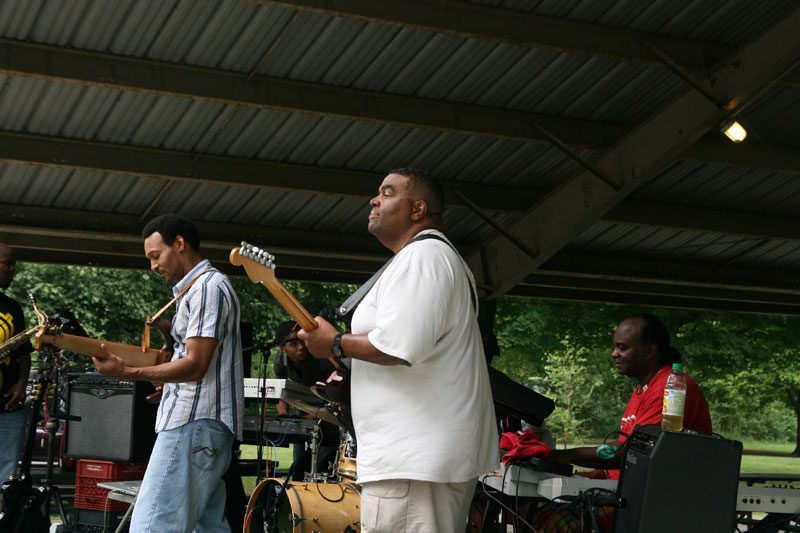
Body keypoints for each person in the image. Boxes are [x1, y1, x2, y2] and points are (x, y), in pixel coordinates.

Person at [299, 168, 499, 533]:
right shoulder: (420, 259)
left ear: (418, 209)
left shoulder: (425, 258)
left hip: (415, 460)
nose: (375, 200)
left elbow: (399, 345)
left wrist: (336, 343)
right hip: (414, 458)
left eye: (388, 193)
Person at [92, 214, 244, 533]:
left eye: (155, 256)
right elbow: (193, 361)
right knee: (207, 527)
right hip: (204, 426)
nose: (152, 266)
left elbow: (196, 364)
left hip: (193, 422)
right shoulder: (198, 289)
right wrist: (164, 374)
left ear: (179, 244)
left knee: (153, 525)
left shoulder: (207, 288)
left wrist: (128, 371)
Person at [549, 313, 712, 478]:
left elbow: (634, 453)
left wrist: (557, 456)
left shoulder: (669, 389)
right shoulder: (645, 387)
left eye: (622, 347)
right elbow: (621, 445)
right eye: (615, 347)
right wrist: (600, 473)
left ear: (650, 351)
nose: (614, 354)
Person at [272, 320, 337, 480]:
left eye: (302, 341)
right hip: (306, 408)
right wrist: (284, 418)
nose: (301, 347)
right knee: (300, 464)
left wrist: (318, 415)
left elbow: (337, 390)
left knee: (324, 464)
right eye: (294, 344)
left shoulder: (321, 357)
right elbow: (282, 394)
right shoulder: (280, 361)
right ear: (283, 348)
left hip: (331, 410)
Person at [0, 243, 32, 481]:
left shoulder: (13, 308)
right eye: (8, 263)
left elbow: (23, 353)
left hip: (8, 408)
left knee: (6, 475)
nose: (13, 270)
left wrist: (21, 384)